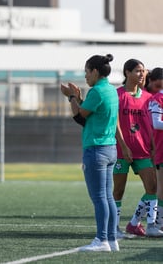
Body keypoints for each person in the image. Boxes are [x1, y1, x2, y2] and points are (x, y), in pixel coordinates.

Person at [60, 54, 119, 252]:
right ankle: (112, 240)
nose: (85, 76)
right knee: (108, 197)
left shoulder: (97, 91)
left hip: (96, 149)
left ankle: (101, 240)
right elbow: (90, 112)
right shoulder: (111, 90)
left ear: (95, 71)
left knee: (99, 197)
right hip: (110, 148)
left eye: (86, 72)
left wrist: (71, 97)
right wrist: (78, 98)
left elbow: (80, 116)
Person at [112, 59, 163, 238]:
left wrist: (153, 146)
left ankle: (150, 226)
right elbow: (115, 124)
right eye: (137, 71)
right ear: (127, 73)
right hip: (120, 151)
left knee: (152, 187)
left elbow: (150, 125)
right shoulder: (116, 95)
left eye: (143, 71)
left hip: (143, 151)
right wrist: (124, 147)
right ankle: (113, 229)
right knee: (118, 191)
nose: (142, 74)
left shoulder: (148, 98)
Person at [149, 82, 163, 230]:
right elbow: (156, 123)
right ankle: (159, 222)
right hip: (162, 148)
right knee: (161, 188)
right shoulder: (158, 98)